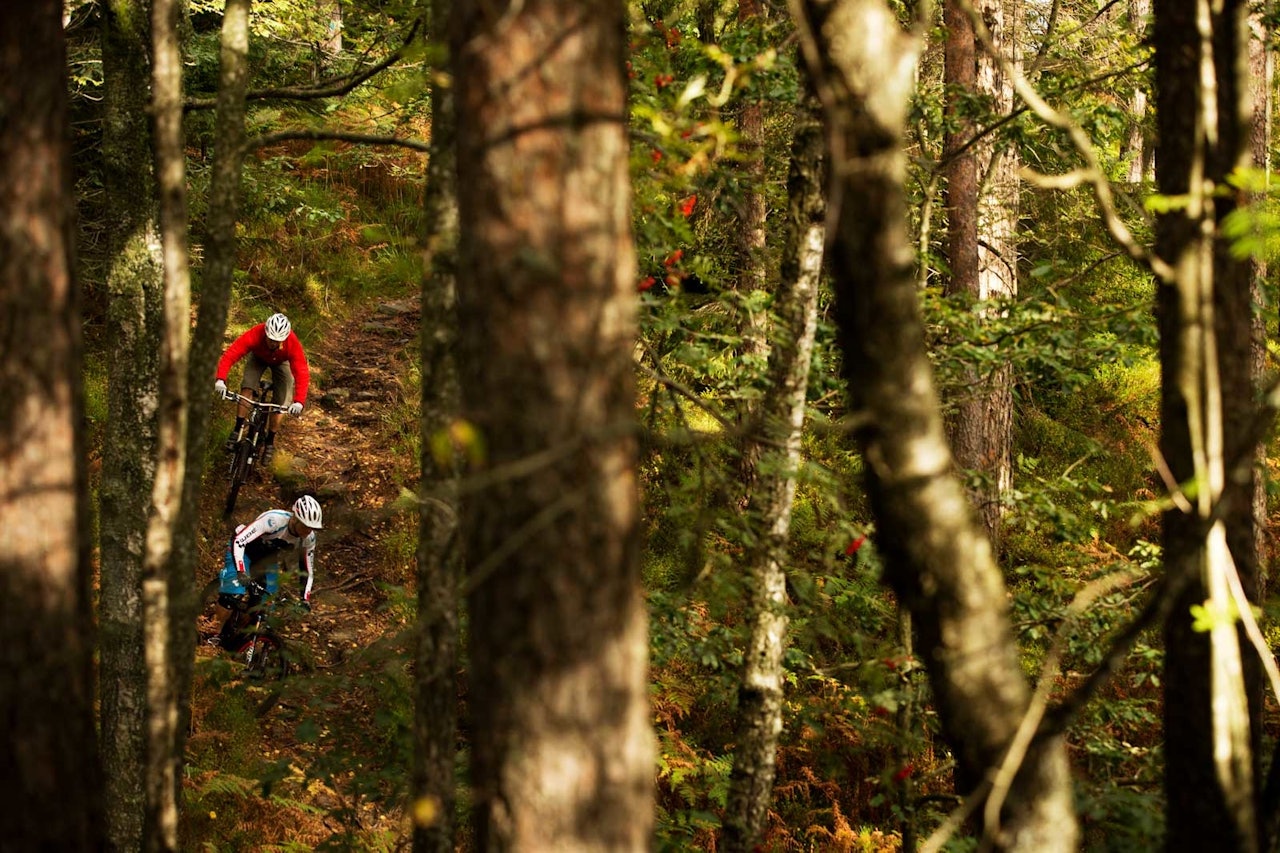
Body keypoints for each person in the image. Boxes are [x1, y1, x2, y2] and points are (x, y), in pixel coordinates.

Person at [211, 495, 323, 641]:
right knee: (233, 594)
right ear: (295, 519)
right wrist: (241, 570)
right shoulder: (274, 520)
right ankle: (213, 634)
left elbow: (307, 570)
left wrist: (305, 599)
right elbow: (239, 541)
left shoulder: (309, 538)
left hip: (267, 561)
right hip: (244, 551)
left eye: (312, 528)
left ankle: (238, 639)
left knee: (265, 606)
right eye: (305, 526)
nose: (308, 530)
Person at [214, 312, 311, 466]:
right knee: (247, 387)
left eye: (277, 341)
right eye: (271, 339)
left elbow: (301, 372)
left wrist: (299, 401)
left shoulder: (291, 342)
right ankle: (237, 429)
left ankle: (270, 442)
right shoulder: (256, 334)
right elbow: (232, 354)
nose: (273, 343)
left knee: (281, 401)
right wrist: (220, 379)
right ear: (265, 333)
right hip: (258, 357)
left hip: (281, 362)